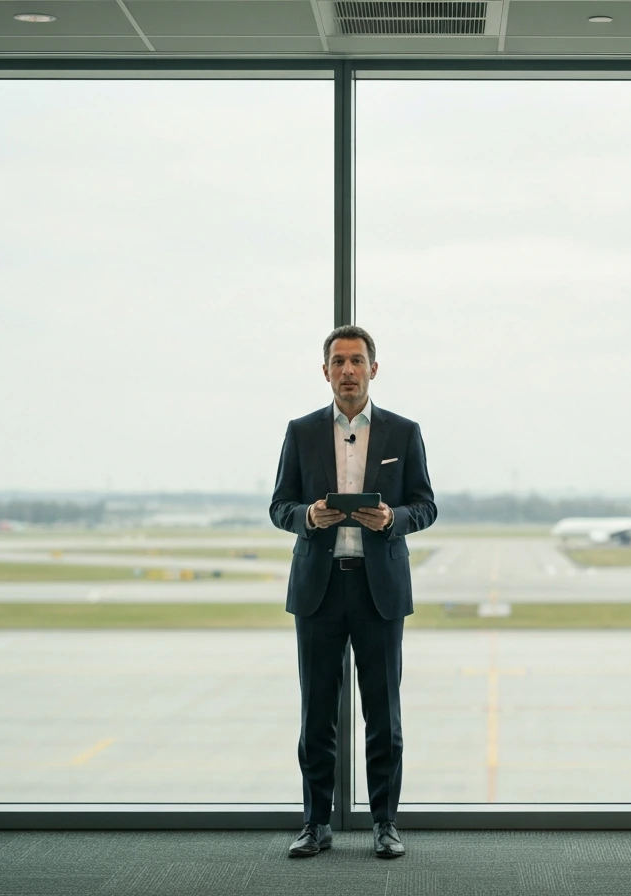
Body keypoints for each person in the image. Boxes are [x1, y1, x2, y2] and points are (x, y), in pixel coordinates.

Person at [269, 325, 436, 860]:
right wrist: (307, 517)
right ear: (325, 371)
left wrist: (393, 517)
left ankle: (384, 823)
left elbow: (426, 505)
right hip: (319, 590)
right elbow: (279, 506)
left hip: (378, 591)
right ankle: (316, 824)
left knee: (383, 715)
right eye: (338, 362)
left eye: (356, 361)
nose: (347, 370)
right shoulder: (300, 432)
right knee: (317, 714)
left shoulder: (404, 433)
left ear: (373, 369)